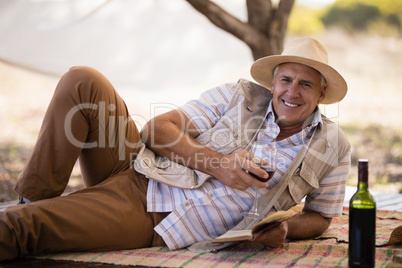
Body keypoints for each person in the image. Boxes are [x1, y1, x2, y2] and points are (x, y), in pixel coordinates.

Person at [0, 37, 351, 261]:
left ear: (321, 94)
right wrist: (220, 165)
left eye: (306, 84)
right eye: (286, 80)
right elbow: (156, 129)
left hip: (152, 213)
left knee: (22, 228)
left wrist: (287, 230)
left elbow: (320, 216)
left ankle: (33, 213)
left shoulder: (332, 145)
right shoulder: (238, 96)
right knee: (83, 79)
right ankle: (34, 197)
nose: (293, 92)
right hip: (140, 168)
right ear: (272, 82)